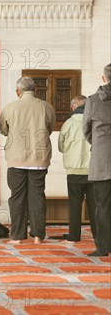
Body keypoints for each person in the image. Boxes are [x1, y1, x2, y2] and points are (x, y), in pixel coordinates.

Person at [0, 77, 55, 244]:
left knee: (17, 197)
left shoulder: (10, 107)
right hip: (39, 158)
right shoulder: (46, 106)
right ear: (35, 89)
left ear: (18, 92)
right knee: (37, 196)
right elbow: (49, 129)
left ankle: (17, 236)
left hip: (16, 159)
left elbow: (3, 130)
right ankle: (38, 236)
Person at [58, 95, 96, 243]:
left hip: (74, 171)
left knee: (74, 205)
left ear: (73, 107)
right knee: (94, 205)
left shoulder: (68, 123)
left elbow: (61, 147)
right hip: (93, 171)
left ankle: (74, 235)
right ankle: (98, 236)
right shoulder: (94, 122)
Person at [83, 63, 111, 256]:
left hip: (102, 161)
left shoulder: (92, 101)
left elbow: (86, 130)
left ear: (103, 78)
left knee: (102, 207)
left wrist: (100, 144)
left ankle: (103, 248)